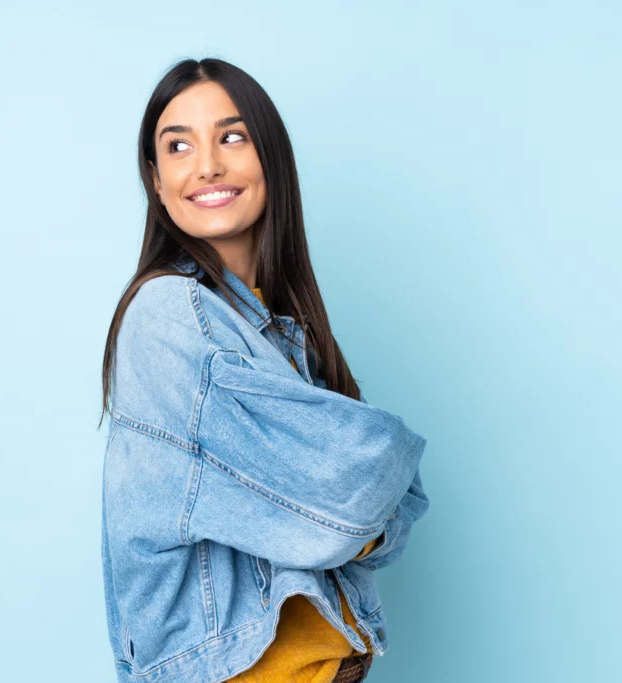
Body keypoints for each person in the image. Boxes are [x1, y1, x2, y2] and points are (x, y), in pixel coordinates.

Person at [98, 57, 431, 683]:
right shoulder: (169, 313)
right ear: (157, 179)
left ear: (269, 156)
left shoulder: (282, 337)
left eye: (232, 136)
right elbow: (361, 488)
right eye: (178, 146)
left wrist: (347, 512)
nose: (208, 165)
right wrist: (349, 514)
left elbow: (391, 498)